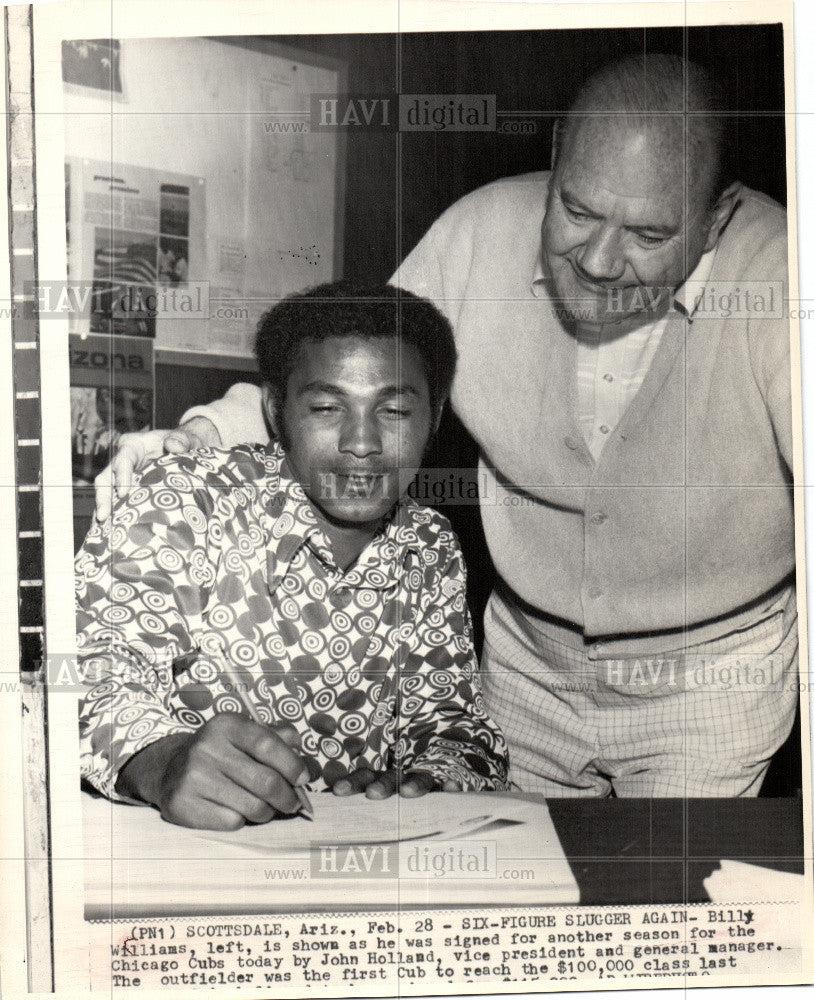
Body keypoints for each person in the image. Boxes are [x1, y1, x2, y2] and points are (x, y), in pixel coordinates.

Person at [95, 53, 797, 797]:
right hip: (528, 674)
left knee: (674, 895)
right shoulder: (479, 230)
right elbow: (356, 359)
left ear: (718, 218)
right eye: (577, 211)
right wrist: (197, 437)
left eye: (649, 236)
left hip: (713, 679)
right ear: (555, 155)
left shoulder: (785, 278)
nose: (596, 260)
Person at [77, 281, 510, 830]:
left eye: (395, 410)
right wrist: (162, 761)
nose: (362, 442)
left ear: (436, 416)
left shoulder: (429, 544)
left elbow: (450, 720)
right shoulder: (186, 499)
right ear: (277, 411)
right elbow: (94, 666)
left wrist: (434, 775)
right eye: (327, 407)